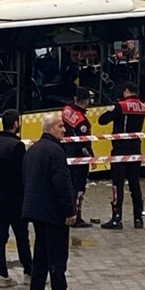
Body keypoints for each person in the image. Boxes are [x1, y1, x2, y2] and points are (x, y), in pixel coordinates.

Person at [21, 113, 84, 290]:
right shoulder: (55, 151)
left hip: (36, 211)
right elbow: (62, 184)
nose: (64, 130)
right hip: (53, 212)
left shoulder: (32, 150)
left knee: (40, 255)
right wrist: (70, 211)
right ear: (49, 129)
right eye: (60, 126)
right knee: (57, 256)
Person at [0, 109, 32, 288]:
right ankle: (28, 271)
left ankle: (2, 274)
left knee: (1, 234)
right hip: (16, 197)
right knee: (21, 235)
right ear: (15, 124)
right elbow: (22, 173)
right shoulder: (17, 146)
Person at [98, 82, 145, 230]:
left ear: (126, 91)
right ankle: (138, 218)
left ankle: (116, 218)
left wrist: (113, 107)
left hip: (120, 149)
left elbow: (102, 120)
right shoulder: (143, 107)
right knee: (135, 184)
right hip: (135, 149)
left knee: (117, 185)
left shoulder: (121, 106)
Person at [61, 87, 95, 227]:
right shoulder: (82, 121)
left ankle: (66, 214)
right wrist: (91, 158)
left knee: (68, 187)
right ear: (86, 100)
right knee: (79, 188)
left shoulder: (66, 110)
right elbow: (83, 143)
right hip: (78, 158)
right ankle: (77, 217)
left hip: (65, 154)